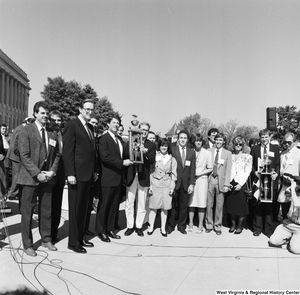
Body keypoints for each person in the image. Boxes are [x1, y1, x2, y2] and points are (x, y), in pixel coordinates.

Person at [17, 101, 60, 256]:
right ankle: (27, 244)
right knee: (27, 212)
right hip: (30, 178)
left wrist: (52, 171)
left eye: (47, 114)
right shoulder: (26, 130)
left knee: (46, 210)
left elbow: (56, 155)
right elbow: (24, 156)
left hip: (47, 178)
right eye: (42, 113)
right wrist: (38, 174)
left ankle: (46, 239)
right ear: (35, 113)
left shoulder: (52, 132)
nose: (45, 116)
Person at [63, 99, 97, 253]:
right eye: (87, 109)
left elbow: (91, 152)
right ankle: (73, 242)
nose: (90, 112)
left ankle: (81, 238)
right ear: (80, 109)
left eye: (92, 109)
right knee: (76, 210)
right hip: (76, 175)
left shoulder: (90, 127)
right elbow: (68, 151)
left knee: (84, 209)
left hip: (88, 175)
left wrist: (94, 171)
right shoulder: (72, 124)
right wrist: (70, 173)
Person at [95, 114, 132, 242]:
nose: (116, 125)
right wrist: (122, 163)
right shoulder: (103, 139)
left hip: (118, 179)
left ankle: (110, 229)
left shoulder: (120, 140)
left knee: (113, 206)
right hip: (107, 178)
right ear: (108, 125)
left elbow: (126, 154)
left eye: (118, 123)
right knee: (104, 206)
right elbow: (105, 157)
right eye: (114, 123)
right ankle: (100, 230)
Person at [123, 121, 156, 237]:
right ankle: (130, 226)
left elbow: (152, 160)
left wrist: (145, 151)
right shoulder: (130, 141)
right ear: (139, 130)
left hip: (143, 176)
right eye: (142, 130)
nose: (144, 132)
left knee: (142, 204)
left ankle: (138, 226)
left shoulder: (151, 145)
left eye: (146, 130)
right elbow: (125, 154)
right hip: (131, 175)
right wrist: (133, 147)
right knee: (129, 202)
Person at [251, 129, 280, 238]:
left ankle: (268, 229)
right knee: (258, 204)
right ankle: (257, 228)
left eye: (266, 137)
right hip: (259, 180)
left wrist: (276, 174)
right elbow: (252, 164)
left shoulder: (275, 149)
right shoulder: (255, 149)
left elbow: (277, 164)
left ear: (270, 137)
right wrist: (255, 172)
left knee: (269, 205)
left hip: (270, 180)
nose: (264, 139)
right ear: (260, 138)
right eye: (262, 137)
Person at [166, 130, 196, 235]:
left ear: (187, 140)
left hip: (186, 183)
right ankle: (170, 225)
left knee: (183, 206)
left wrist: (192, 184)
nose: (183, 140)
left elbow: (193, 169)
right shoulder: (173, 150)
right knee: (173, 205)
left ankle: (182, 226)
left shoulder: (192, 152)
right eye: (181, 138)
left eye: (185, 138)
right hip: (174, 182)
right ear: (178, 139)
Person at [148, 138, 177, 237]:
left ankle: (163, 228)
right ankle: (151, 226)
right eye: (162, 145)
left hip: (166, 184)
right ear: (159, 147)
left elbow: (174, 175)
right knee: (154, 207)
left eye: (165, 146)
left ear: (168, 147)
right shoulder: (155, 157)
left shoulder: (172, 159)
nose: (164, 147)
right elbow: (151, 172)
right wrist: (150, 186)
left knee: (165, 208)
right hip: (156, 183)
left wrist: (171, 188)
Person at [225, 136, 252, 234]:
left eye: (240, 144)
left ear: (243, 146)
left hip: (241, 183)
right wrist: (227, 183)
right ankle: (232, 225)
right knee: (231, 206)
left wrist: (240, 184)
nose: (238, 146)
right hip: (230, 183)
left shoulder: (247, 157)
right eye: (236, 144)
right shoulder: (229, 156)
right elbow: (226, 170)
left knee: (240, 207)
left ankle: (239, 226)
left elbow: (247, 171)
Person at [205, 133, 232, 235]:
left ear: (224, 142)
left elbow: (228, 170)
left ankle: (217, 225)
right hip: (210, 179)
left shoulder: (227, 153)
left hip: (221, 181)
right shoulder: (209, 151)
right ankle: (208, 224)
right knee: (209, 204)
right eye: (216, 140)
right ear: (214, 141)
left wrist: (226, 184)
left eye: (220, 140)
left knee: (219, 206)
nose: (218, 142)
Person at [187, 134, 212, 233]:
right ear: (193, 142)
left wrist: (199, 173)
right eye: (196, 141)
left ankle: (201, 224)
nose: (198, 142)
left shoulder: (207, 153)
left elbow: (210, 168)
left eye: (200, 141)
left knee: (201, 203)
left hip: (202, 180)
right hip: (191, 180)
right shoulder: (190, 152)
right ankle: (191, 223)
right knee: (191, 202)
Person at [5, 118, 35, 200]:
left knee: (17, 175)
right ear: (27, 122)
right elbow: (17, 143)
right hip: (16, 156)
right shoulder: (21, 129)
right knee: (17, 175)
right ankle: (12, 193)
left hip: (16, 155)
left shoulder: (19, 128)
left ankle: (15, 193)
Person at [269, 178, 300, 254]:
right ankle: (290, 237)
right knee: (273, 241)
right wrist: (288, 187)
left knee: (295, 250)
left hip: (299, 228)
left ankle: (294, 239)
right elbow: (282, 198)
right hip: (288, 224)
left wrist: (292, 189)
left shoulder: (294, 193)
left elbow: (297, 204)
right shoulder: (295, 191)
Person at [48, 110, 64, 243]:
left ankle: (54, 233)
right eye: (54, 120)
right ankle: (46, 235)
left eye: (59, 120)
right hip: (49, 176)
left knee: (57, 207)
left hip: (60, 177)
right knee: (47, 207)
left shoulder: (63, 134)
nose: (57, 123)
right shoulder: (46, 134)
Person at [277, 132, 300, 220]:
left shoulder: (299, 153)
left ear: (294, 142)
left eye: (289, 142)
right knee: (284, 207)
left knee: (295, 210)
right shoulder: (282, 154)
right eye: (285, 142)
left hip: (295, 185)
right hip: (284, 184)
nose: (287, 144)